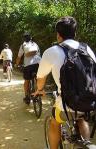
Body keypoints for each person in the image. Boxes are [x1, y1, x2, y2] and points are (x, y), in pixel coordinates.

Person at [33, 16, 96, 149]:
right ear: (75, 33)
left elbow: (41, 78)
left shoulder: (52, 52)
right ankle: (85, 142)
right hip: (90, 102)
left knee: (55, 123)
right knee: (81, 119)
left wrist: (39, 89)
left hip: (67, 104)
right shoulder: (87, 49)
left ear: (58, 35)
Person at [16, 32, 41, 104]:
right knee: (38, 78)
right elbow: (39, 53)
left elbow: (19, 57)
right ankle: (39, 91)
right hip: (38, 64)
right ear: (31, 38)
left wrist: (16, 64)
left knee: (26, 80)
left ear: (24, 39)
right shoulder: (35, 44)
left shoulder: (23, 46)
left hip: (28, 66)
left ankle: (27, 96)